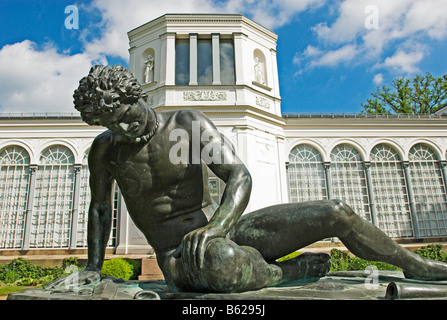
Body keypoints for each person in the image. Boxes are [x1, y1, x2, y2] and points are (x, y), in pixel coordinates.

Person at [48, 65, 447, 293]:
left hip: (227, 230)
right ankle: (288, 272)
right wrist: (93, 267)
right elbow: (100, 209)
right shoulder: (105, 150)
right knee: (220, 262)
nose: (124, 127)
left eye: (126, 115)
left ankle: (413, 264)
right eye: (111, 124)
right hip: (177, 255)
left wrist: (219, 226)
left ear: (139, 97)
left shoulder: (185, 124)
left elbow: (238, 174)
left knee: (336, 211)